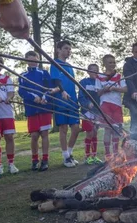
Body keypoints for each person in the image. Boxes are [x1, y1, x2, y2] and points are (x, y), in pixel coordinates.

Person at [18, 51, 53, 171]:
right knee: (34, 135)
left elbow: (49, 88)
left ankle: (45, 159)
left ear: (38, 60)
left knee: (44, 134)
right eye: (30, 60)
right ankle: (34, 159)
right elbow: (21, 91)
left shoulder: (44, 73)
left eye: (35, 59)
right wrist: (33, 97)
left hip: (44, 107)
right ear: (26, 60)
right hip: (31, 108)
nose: (33, 62)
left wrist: (44, 97)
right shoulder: (23, 75)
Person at [50, 40, 80, 168]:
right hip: (61, 99)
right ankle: (65, 157)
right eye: (66, 48)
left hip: (72, 100)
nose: (69, 51)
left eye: (69, 49)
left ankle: (70, 152)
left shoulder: (69, 66)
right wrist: (62, 91)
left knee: (76, 128)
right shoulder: (55, 63)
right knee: (63, 128)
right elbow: (56, 80)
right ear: (58, 49)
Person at [96, 54, 127, 158]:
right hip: (105, 105)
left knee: (116, 129)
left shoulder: (118, 76)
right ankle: (107, 154)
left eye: (114, 62)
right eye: (110, 62)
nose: (112, 64)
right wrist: (105, 89)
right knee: (108, 129)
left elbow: (125, 89)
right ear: (104, 63)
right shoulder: (99, 76)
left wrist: (114, 88)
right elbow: (98, 93)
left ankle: (115, 153)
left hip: (117, 105)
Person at [0, 55, 18, 175]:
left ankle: (11, 163)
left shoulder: (7, 78)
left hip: (6, 112)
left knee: (9, 137)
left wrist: (8, 98)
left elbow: (11, 91)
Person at [79, 64, 102, 164]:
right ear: (88, 72)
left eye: (97, 71)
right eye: (92, 71)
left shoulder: (100, 83)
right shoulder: (84, 82)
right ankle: (87, 156)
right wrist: (87, 104)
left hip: (97, 112)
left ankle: (94, 155)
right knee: (89, 133)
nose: (95, 73)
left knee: (95, 132)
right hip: (87, 112)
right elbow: (81, 96)